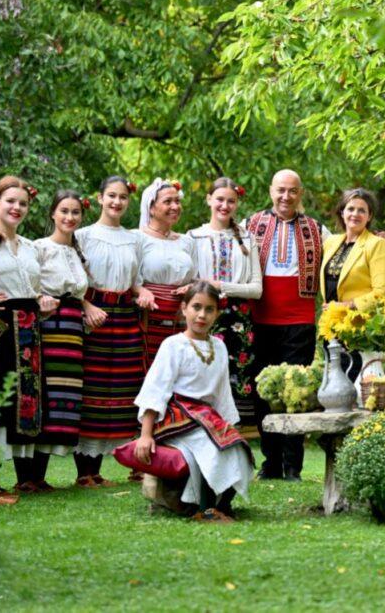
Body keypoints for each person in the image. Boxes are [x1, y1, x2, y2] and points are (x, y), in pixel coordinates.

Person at [133, 281, 254, 522]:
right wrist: (145, 435)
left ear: (217, 314)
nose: (202, 315)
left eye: (209, 309)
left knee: (238, 448)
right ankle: (206, 510)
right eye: (196, 307)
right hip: (177, 417)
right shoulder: (173, 345)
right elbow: (156, 391)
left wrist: (230, 427)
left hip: (207, 418)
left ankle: (222, 504)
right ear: (184, 308)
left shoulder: (219, 347)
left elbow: (222, 392)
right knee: (211, 446)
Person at [0, 176, 57, 499]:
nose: (17, 207)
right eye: (10, 201)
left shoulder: (32, 247)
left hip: (29, 330)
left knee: (24, 401)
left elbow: (33, 290)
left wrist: (43, 303)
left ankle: (28, 477)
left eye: (23, 203)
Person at [244, 169, 328, 481]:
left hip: (299, 321)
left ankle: (293, 465)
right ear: (271, 190)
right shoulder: (250, 224)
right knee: (264, 391)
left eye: (292, 191)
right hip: (260, 319)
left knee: (296, 391)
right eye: (281, 190)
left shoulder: (317, 229)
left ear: (300, 193)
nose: (286, 196)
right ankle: (271, 462)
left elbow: (346, 248)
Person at [73, 176, 155, 487]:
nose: (116, 202)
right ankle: (85, 471)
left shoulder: (134, 239)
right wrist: (86, 308)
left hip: (124, 317)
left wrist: (143, 293)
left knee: (124, 387)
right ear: (99, 198)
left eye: (122, 197)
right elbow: (72, 277)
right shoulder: (82, 235)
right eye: (111, 195)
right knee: (91, 388)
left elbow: (135, 281)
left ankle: (122, 462)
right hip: (94, 314)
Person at [184, 177, 263, 425]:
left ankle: (235, 434)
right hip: (204, 315)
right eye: (219, 199)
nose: (225, 206)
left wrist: (220, 286)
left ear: (237, 204)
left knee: (238, 378)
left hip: (238, 320)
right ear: (209, 199)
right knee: (203, 372)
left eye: (231, 201)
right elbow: (188, 282)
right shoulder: (193, 237)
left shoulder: (248, 239)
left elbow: (256, 289)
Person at [31, 190, 93, 491]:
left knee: (64, 398)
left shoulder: (77, 253)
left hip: (72, 329)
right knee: (45, 393)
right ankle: (30, 475)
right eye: (64, 211)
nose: (70, 217)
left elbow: (80, 294)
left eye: (75, 212)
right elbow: (29, 283)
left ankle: (40, 476)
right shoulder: (40, 248)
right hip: (48, 325)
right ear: (53, 214)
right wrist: (40, 300)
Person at [321, 187, 385, 383]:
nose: (355, 214)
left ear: (369, 216)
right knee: (333, 385)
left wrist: (348, 305)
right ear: (342, 212)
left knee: (356, 385)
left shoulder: (376, 244)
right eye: (351, 209)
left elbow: (382, 292)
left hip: (360, 328)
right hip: (332, 326)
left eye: (362, 210)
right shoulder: (331, 242)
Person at [135, 178, 197, 378]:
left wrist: (191, 288)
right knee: (150, 375)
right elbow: (130, 278)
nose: (175, 206)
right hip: (149, 318)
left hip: (181, 320)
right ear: (151, 208)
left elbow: (196, 278)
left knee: (180, 374)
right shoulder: (137, 238)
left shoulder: (187, 242)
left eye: (177, 201)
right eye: (168, 201)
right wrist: (141, 291)